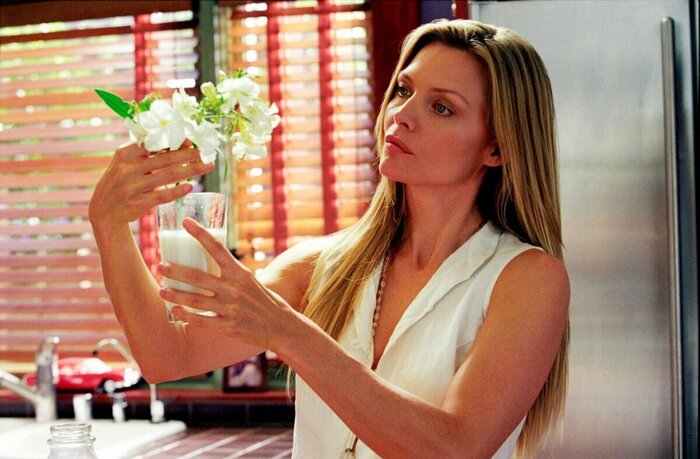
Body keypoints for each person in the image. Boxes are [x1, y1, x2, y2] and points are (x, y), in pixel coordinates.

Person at [89, 19, 569, 459]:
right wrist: (109, 225)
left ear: (496, 147)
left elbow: (454, 449)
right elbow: (167, 355)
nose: (402, 114)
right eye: (404, 90)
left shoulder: (526, 280)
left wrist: (287, 332)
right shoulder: (320, 265)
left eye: (442, 107)